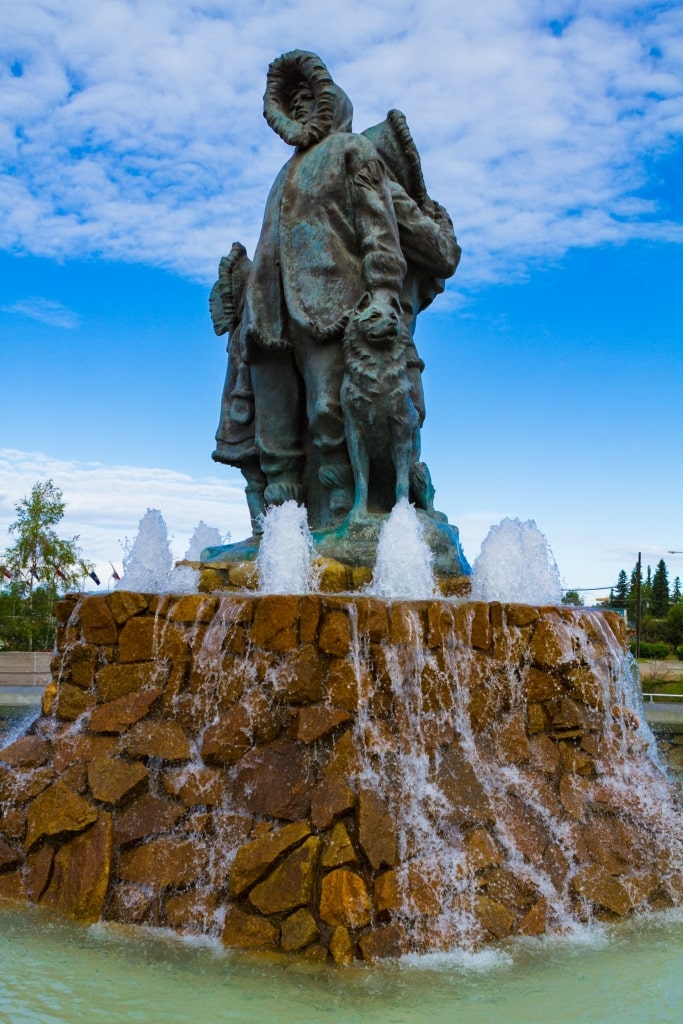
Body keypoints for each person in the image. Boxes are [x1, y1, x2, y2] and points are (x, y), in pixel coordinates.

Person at [242, 50, 407, 526]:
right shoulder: (284, 172)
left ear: (328, 101)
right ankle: (280, 530)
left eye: (307, 98)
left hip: (334, 306)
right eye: (290, 101)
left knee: (329, 411)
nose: (298, 109)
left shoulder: (353, 150)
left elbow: (380, 227)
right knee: (273, 428)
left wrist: (382, 288)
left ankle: (342, 518)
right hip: (270, 316)